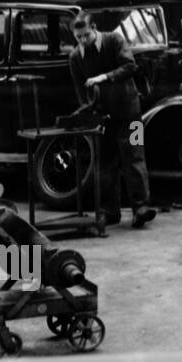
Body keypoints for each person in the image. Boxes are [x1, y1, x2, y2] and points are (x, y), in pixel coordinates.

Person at [69, 13, 156, 233]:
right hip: (104, 118)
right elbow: (81, 93)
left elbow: (130, 67)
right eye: (78, 37)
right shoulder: (75, 57)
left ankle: (141, 208)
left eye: (86, 35)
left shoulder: (115, 40)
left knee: (135, 157)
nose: (83, 41)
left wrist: (103, 77)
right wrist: (89, 113)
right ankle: (110, 212)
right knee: (105, 164)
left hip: (131, 113)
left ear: (95, 28)